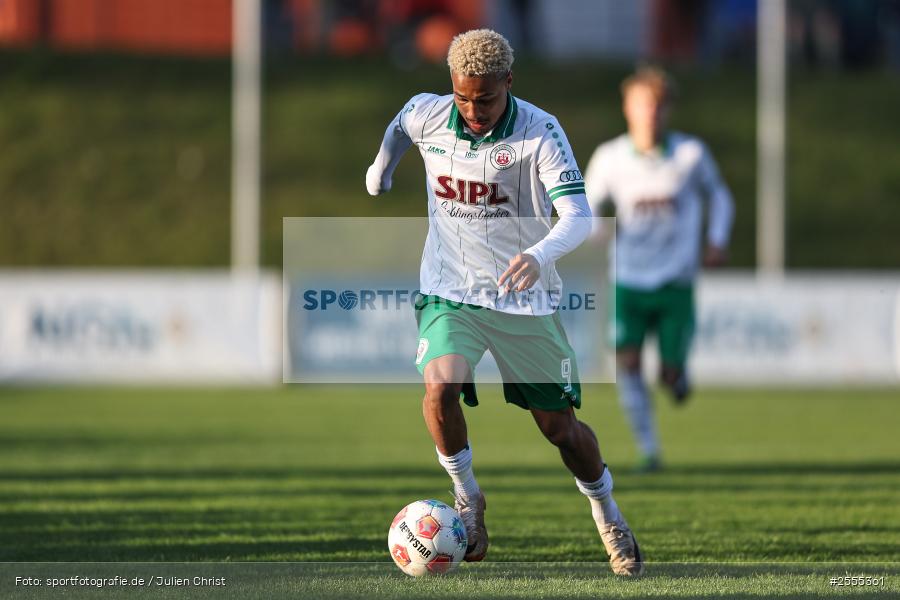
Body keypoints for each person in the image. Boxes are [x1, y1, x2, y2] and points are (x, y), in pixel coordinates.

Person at [365, 29, 643, 576]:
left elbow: (578, 216)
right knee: (439, 387)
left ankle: (607, 513)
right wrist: (382, 166)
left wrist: (539, 255)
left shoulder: (540, 132)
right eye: (463, 97)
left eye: (486, 99)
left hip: (523, 299)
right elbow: (401, 124)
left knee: (560, 430)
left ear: (508, 82)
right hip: (450, 291)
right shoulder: (428, 113)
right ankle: (468, 497)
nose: (473, 110)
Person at [584, 67, 735, 473]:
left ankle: (676, 376)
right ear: (627, 108)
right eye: (642, 105)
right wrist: (595, 229)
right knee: (628, 363)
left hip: (675, 281)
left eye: (657, 105)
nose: (650, 113)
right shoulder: (610, 157)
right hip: (627, 280)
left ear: (668, 110)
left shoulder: (690, 155)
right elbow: (586, 203)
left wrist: (717, 239)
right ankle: (649, 450)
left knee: (668, 377)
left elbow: (720, 197)